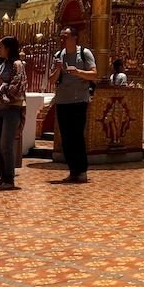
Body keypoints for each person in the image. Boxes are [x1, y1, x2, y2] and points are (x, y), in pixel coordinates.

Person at [48, 26, 96, 184]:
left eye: (66, 37)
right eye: (61, 37)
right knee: (66, 138)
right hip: (63, 101)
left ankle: (81, 170)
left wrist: (77, 72)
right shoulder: (58, 56)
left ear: (75, 37)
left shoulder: (84, 53)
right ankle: (73, 170)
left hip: (79, 101)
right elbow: (51, 80)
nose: (62, 39)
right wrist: (57, 70)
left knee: (77, 136)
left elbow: (94, 74)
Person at [0, 36, 27, 191]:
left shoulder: (18, 65)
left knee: (6, 145)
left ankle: (9, 178)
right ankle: (3, 174)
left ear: (8, 48)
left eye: (1, 47)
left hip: (11, 109)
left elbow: (16, 88)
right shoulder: (3, 64)